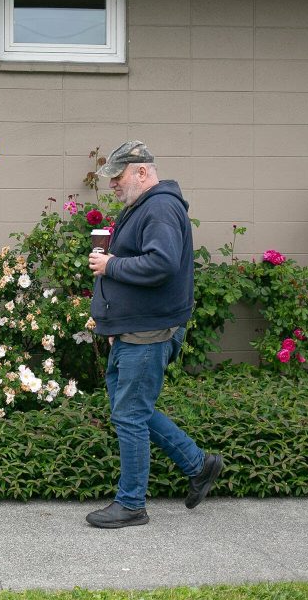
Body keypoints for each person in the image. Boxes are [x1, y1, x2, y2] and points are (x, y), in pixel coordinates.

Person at [85, 140, 223, 529]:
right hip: (133, 330)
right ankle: (199, 465)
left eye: (118, 176)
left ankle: (131, 504)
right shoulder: (144, 206)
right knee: (131, 411)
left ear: (142, 171)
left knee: (129, 415)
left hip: (148, 332)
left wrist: (111, 265)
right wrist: (116, 324)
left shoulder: (160, 207)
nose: (112, 184)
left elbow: (160, 264)